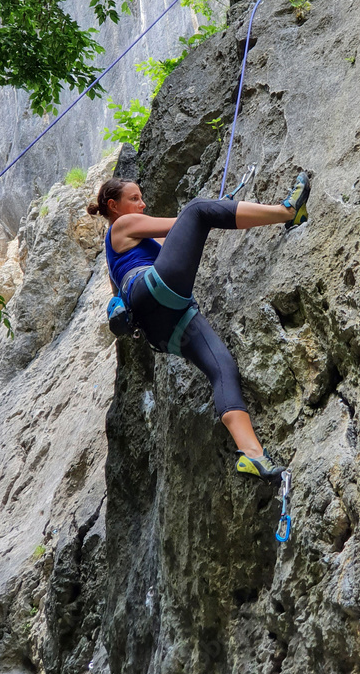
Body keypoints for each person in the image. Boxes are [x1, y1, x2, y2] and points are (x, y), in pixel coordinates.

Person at [87, 173, 310, 482]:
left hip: (163, 325)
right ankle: (288, 211)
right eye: (134, 199)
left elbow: (177, 244)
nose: (143, 203)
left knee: (222, 370)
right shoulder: (121, 226)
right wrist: (212, 209)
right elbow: (187, 221)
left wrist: (212, 215)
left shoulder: (125, 249)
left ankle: (253, 456)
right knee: (196, 210)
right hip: (154, 290)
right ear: (114, 205)